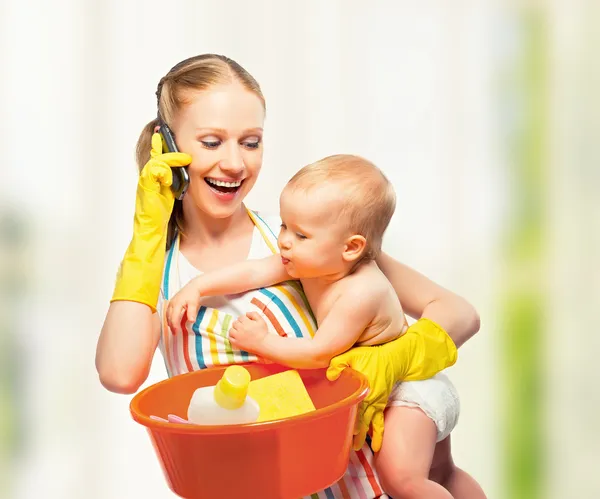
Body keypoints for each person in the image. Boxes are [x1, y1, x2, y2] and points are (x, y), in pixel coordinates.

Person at [96, 54, 485, 498]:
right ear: (168, 146)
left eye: (250, 142)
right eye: (210, 142)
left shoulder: (306, 241)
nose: (235, 164)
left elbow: (458, 313)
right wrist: (148, 231)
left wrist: (391, 358)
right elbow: (120, 373)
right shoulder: (154, 275)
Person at [165, 154, 471, 498]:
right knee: (442, 472)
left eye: (300, 234)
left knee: (401, 479)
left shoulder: (360, 292)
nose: (284, 241)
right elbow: (254, 271)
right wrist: (199, 287)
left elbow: (319, 353)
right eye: (283, 226)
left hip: (410, 389)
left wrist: (261, 341)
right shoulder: (313, 262)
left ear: (351, 247)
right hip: (393, 390)